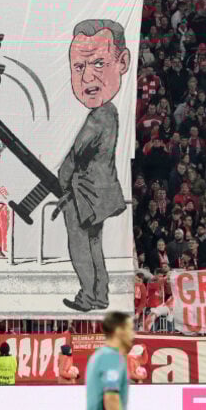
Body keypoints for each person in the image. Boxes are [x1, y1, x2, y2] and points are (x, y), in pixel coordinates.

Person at [56, 20, 130, 312]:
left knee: (79, 244)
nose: (87, 77)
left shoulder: (98, 116)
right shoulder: (110, 112)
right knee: (95, 244)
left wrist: (62, 183)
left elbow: (75, 153)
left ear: (120, 63)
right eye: (79, 67)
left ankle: (88, 297)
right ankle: (100, 296)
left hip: (84, 192)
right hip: (101, 190)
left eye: (98, 63)